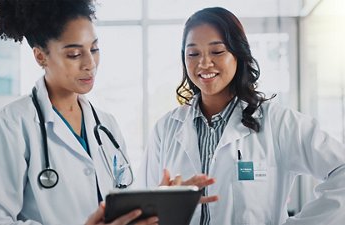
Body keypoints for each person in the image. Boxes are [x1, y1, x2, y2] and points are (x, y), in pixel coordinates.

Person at [137, 7, 345, 225]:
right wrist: (160, 204)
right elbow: (143, 208)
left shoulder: (277, 122)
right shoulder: (166, 129)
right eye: (193, 53)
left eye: (217, 52)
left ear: (238, 54)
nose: (204, 63)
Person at [0, 0, 159, 224]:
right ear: (41, 56)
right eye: (75, 54)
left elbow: (122, 204)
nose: (90, 63)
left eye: (94, 49)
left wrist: (158, 202)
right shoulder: (11, 124)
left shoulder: (107, 126)